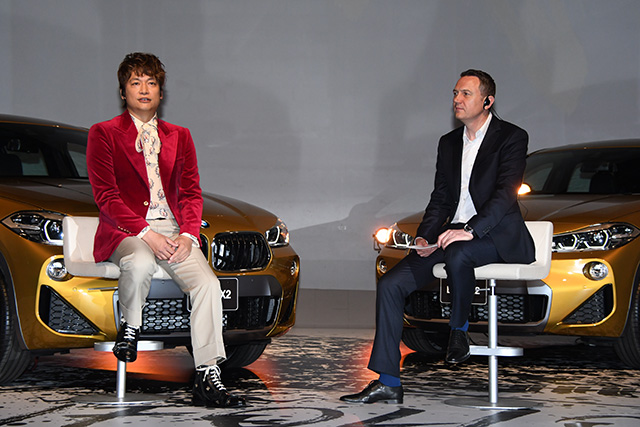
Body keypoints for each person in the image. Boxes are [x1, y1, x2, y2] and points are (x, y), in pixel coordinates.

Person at [341, 69, 535, 404]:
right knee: (391, 284)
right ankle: (388, 381)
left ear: (488, 101)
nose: (457, 100)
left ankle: (458, 331)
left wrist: (469, 230)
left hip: (494, 235)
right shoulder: (448, 143)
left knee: (460, 253)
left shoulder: (512, 137)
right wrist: (424, 236)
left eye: (466, 94)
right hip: (452, 234)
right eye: (455, 93)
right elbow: (441, 198)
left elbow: (505, 195)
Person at [86, 52, 245, 408]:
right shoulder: (104, 133)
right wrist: (148, 235)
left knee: (208, 285)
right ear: (123, 92)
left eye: (151, 82)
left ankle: (207, 374)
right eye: (135, 83)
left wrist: (187, 235)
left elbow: (190, 193)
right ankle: (131, 328)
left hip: (174, 230)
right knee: (140, 262)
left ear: (161, 92)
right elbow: (106, 197)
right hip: (126, 229)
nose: (144, 89)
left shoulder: (180, 136)